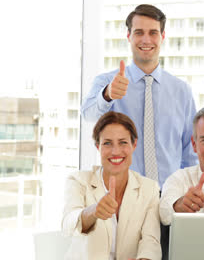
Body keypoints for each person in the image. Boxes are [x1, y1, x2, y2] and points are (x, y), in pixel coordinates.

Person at [81, 4, 198, 188]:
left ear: (162, 37)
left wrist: (187, 192)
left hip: (170, 197)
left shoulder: (182, 91)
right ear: (129, 36)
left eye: (153, 33)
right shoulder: (108, 82)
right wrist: (107, 95)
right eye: (138, 32)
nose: (146, 39)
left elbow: (190, 152)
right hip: (123, 198)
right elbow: (87, 114)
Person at [62, 111, 161, 260]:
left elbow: (150, 240)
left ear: (134, 145)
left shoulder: (150, 189)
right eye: (107, 143)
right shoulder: (78, 180)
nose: (115, 151)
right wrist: (93, 211)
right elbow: (68, 223)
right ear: (98, 146)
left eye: (123, 142)